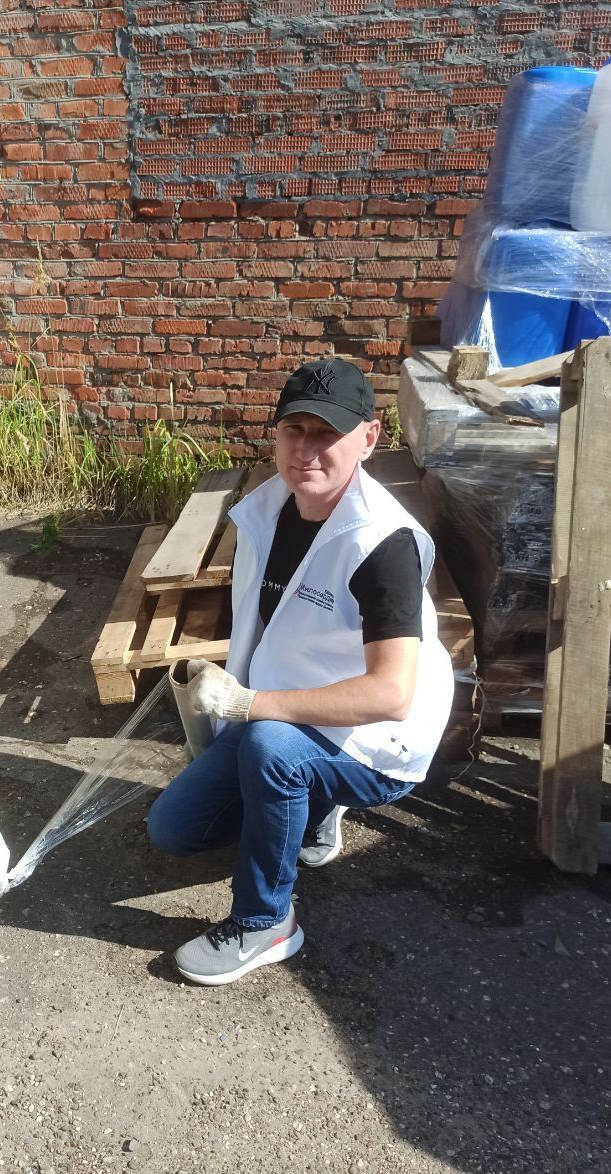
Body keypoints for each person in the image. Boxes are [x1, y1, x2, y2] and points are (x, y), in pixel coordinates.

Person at [147, 358, 454, 986]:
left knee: (270, 748)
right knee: (175, 831)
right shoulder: (268, 512)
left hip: (375, 740)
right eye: (294, 430)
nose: (306, 449)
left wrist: (248, 705)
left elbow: (392, 695)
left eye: (326, 433)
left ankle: (267, 922)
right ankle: (310, 802)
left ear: (368, 439)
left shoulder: (381, 543)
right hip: (296, 708)